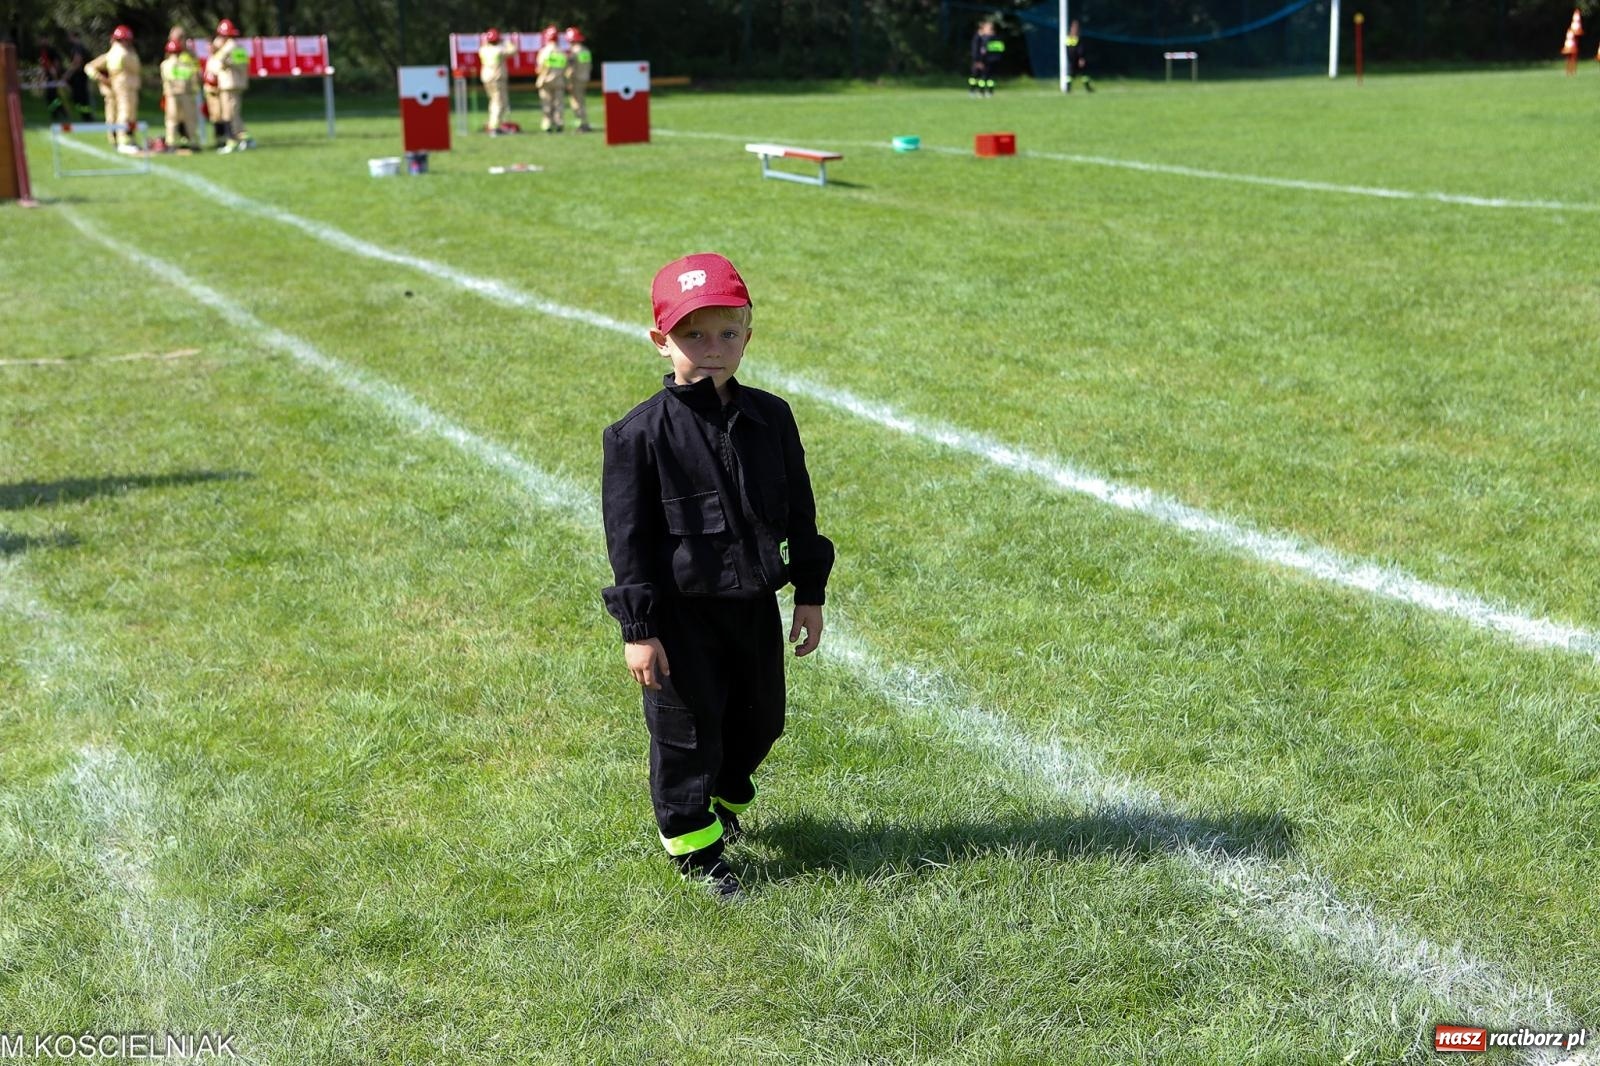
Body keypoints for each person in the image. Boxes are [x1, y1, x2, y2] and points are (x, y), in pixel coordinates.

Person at [601, 253, 834, 900]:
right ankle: (695, 851)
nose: (712, 348)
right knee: (686, 735)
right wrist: (639, 630)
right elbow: (628, 542)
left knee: (762, 721)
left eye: (727, 333)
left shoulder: (772, 417)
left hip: (753, 604)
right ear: (661, 341)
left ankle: (723, 804)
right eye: (693, 335)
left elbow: (799, 509)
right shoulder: (636, 438)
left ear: (748, 336)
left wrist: (809, 593)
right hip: (679, 619)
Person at [85, 25, 141, 153]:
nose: (126, 43)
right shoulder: (113, 54)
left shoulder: (130, 53)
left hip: (131, 88)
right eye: (124, 40)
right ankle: (122, 140)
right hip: (120, 89)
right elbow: (89, 67)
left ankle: (130, 139)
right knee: (123, 113)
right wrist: (102, 79)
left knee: (131, 115)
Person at [207, 19, 252, 152]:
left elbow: (217, 64)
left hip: (229, 84)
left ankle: (241, 139)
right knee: (230, 113)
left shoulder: (228, 47)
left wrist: (216, 49)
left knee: (231, 114)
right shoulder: (239, 48)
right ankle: (236, 139)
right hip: (232, 84)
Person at [159, 39, 201, 151]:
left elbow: (166, 80)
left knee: (171, 120)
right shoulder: (187, 65)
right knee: (190, 119)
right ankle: (193, 142)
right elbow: (194, 81)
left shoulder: (165, 65)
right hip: (186, 95)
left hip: (172, 96)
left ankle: (171, 142)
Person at [478, 27, 516, 135]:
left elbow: (484, 46)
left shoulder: (483, 50)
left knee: (493, 102)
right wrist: (507, 42)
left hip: (486, 79)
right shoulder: (499, 50)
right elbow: (514, 51)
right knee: (499, 103)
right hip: (497, 79)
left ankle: (492, 123)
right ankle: (494, 127)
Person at [534, 26, 568, 133]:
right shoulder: (562, 52)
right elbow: (565, 67)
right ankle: (559, 123)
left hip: (545, 81)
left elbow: (540, 68)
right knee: (558, 103)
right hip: (559, 81)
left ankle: (547, 124)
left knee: (546, 103)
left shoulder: (544, 52)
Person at [565, 26, 593, 133]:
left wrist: (569, 81)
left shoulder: (573, 52)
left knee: (576, 102)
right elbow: (589, 66)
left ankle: (581, 124)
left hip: (576, 79)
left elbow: (571, 69)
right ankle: (584, 122)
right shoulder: (586, 50)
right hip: (584, 78)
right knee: (582, 101)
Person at [64, 30, 96, 121]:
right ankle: (86, 116)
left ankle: (87, 116)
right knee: (82, 98)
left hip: (79, 76)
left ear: (74, 36)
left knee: (80, 97)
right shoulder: (81, 47)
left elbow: (77, 62)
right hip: (82, 75)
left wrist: (67, 75)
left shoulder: (77, 47)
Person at [969, 18, 1004, 96]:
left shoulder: (984, 38)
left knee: (983, 77)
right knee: (986, 77)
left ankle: (980, 92)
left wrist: (979, 61)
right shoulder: (995, 38)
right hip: (991, 60)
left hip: (986, 60)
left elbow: (982, 51)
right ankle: (986, 92)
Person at [1065, 20, 1093, 93]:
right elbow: (1073, 49)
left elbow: (1080, 49)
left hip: (1075, 59)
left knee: (1083, 74)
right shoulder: (1072, 37)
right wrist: (1080, 58)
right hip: (1073, 59)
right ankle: (1068, 88)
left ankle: (1088, 88)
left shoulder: (1074, 37)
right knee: (1071, 74)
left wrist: (1081, 58)